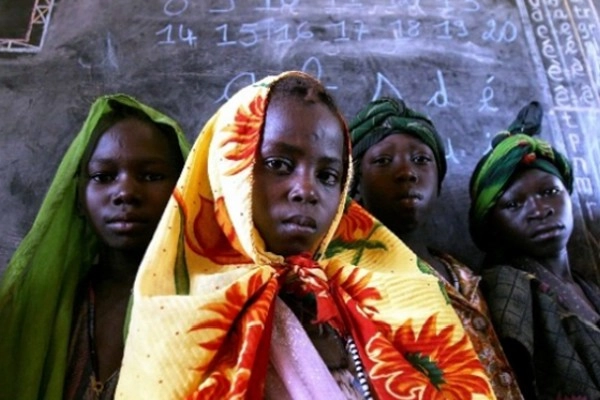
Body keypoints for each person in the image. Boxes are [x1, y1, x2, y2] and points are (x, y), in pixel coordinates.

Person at [115, 72, 495, 399]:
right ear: (229, 166)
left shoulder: (390, 295)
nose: (307, 190)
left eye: (328, 175)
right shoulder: (177, 311)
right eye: (279, 164)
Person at [0, 94, 190, 400]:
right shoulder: (40, 308)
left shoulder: (211, 304)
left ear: (185, 190)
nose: (125, 192)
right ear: (78, 197)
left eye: (151, 176)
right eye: (103, 176)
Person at [347, 97, 523, 399]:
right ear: (356, 186)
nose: (407, 172)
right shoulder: (356, 280)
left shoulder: (464, 273)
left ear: (439, 181)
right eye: (383, 161)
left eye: (421, 159)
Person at [469, 101, 600, 399]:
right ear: (492, 224)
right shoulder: (506, 287)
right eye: (514, 204)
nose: (540, 210)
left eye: (550, 192)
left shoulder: (588, 288)